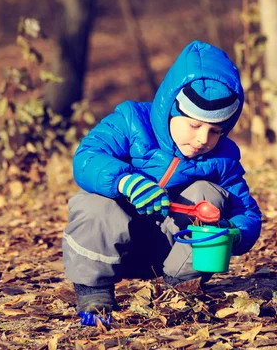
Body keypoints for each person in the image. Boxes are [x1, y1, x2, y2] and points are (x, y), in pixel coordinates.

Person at [62, 40, 262, 324]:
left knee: (208, 193)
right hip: (115, 242)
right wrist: (125, 182)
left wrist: (234, 232)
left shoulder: (223, 158)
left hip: (173, 250)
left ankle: (179, 290)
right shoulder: (131, 121)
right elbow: (87, 157)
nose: (203, 139)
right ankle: (94, 291)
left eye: (215, 130)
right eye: (194, 125)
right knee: (94, 202)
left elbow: (248, 212)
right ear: (171, 107)